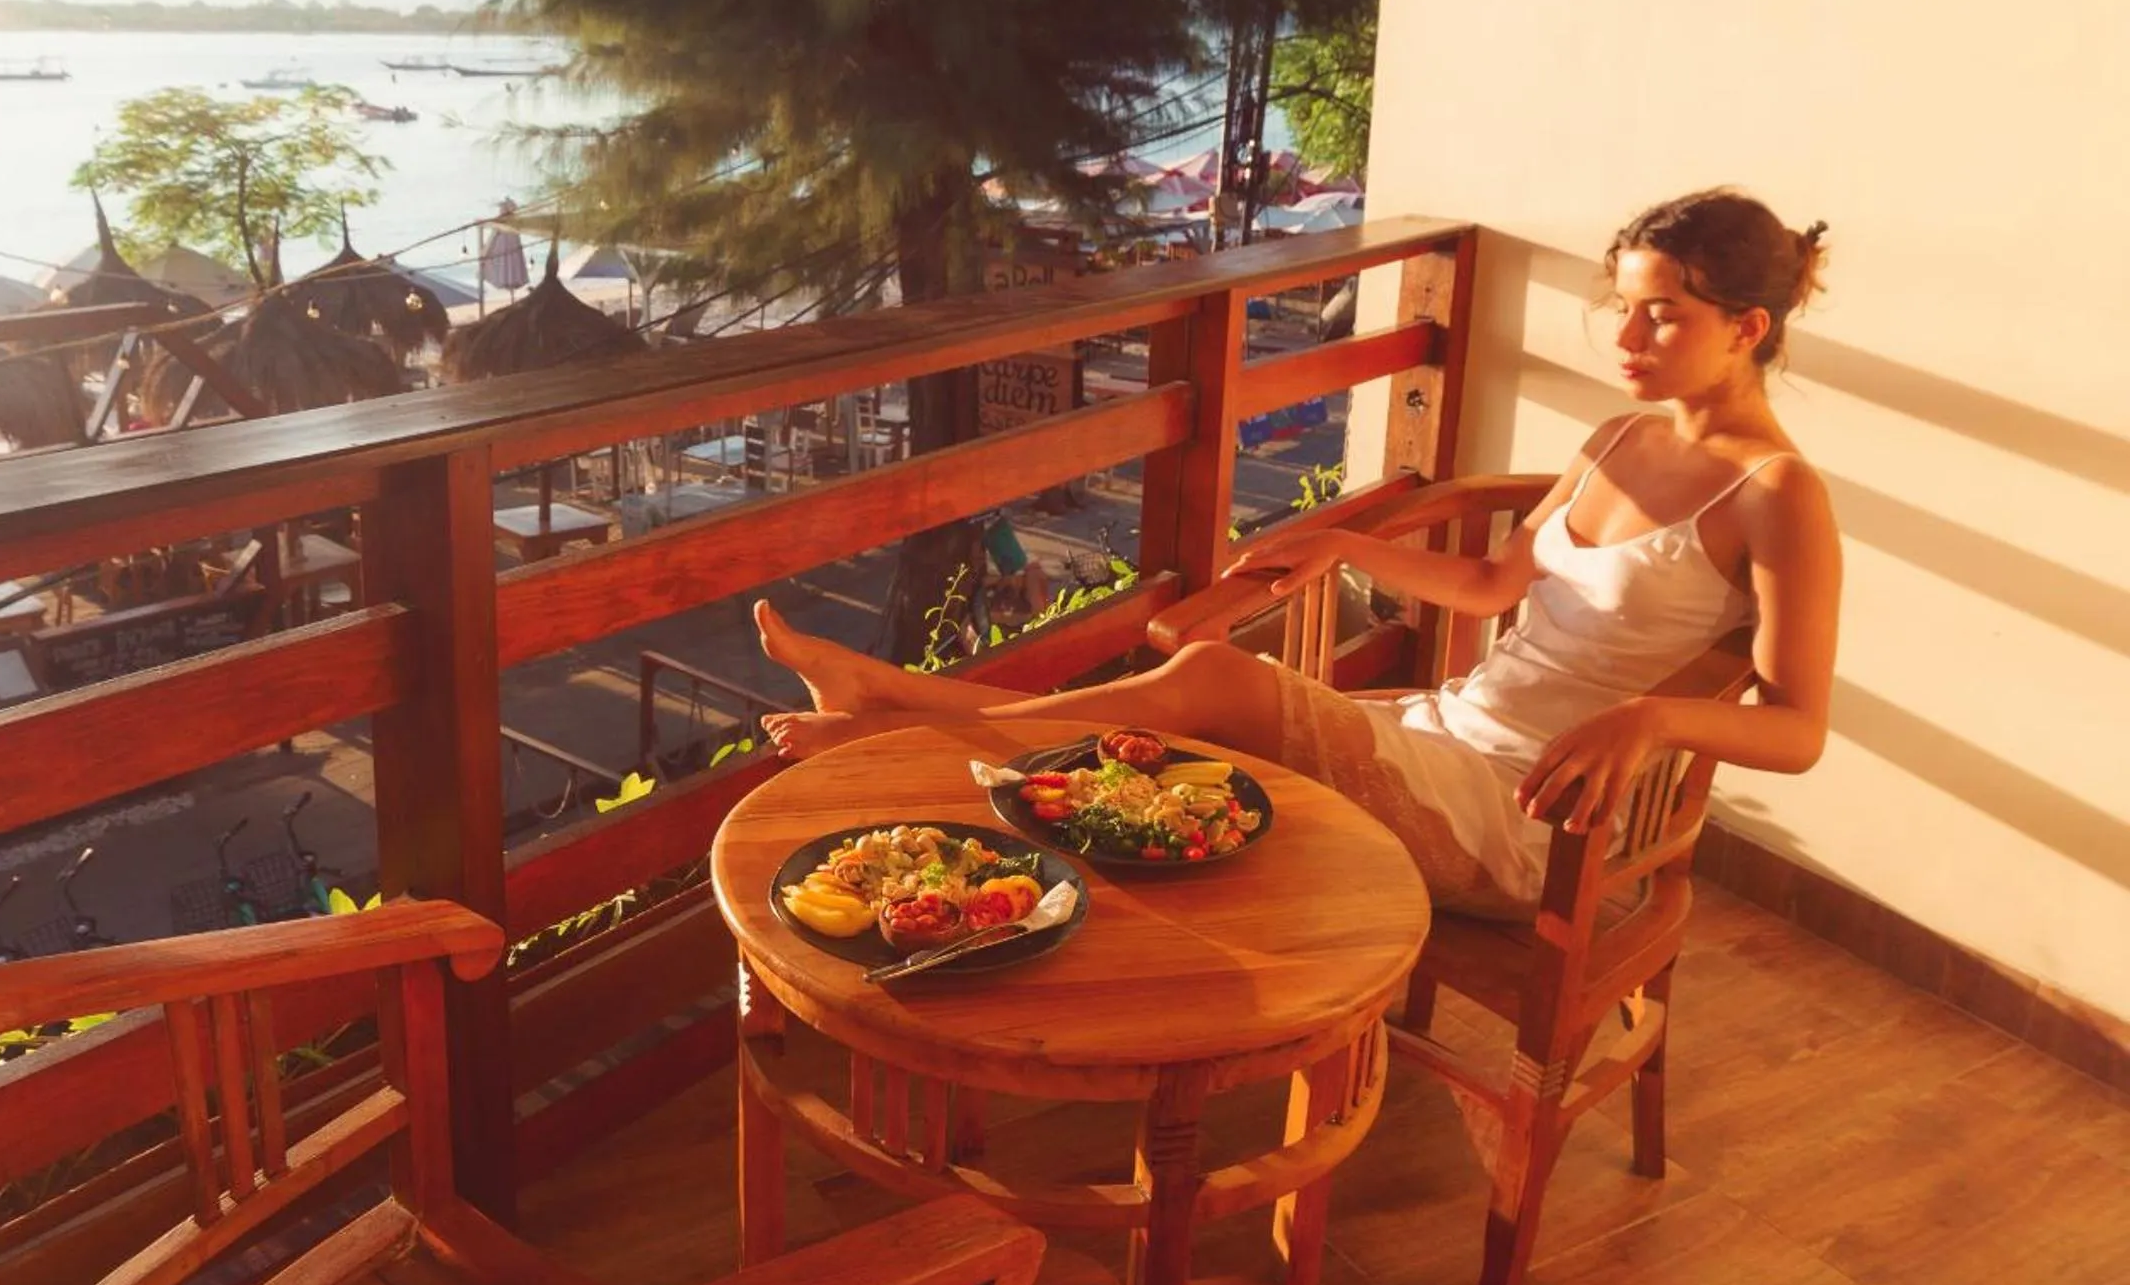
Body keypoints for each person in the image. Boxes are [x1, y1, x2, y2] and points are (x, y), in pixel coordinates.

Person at [756, 190, 1843, 917]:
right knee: (1166, 755)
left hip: (1538, 819)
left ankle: (896, 718)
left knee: (1212, 687)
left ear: (1745, 327)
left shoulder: (1777, 495)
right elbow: (1490, 584)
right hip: (1449, 734)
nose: (1624, 339)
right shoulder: (1618, 438)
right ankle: (899, 724)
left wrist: (1653, 714)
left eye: (1661, 316)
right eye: (1623, 308)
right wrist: (1338, 537)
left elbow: (1795, 732)